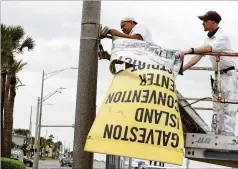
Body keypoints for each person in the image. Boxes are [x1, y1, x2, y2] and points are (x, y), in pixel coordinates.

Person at [180, 11, 237, 136]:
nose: (203, 23)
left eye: (205, 21)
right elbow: (199, 56)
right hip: (218, 75)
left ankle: (227, 136)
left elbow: (208, 49)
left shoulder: (222, 36)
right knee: (218, 106)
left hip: (229, 74)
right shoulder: (208, 38)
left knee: (229, 105)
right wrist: (182, 69)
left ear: (213, 22)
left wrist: (189, 50)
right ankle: (216, 134)